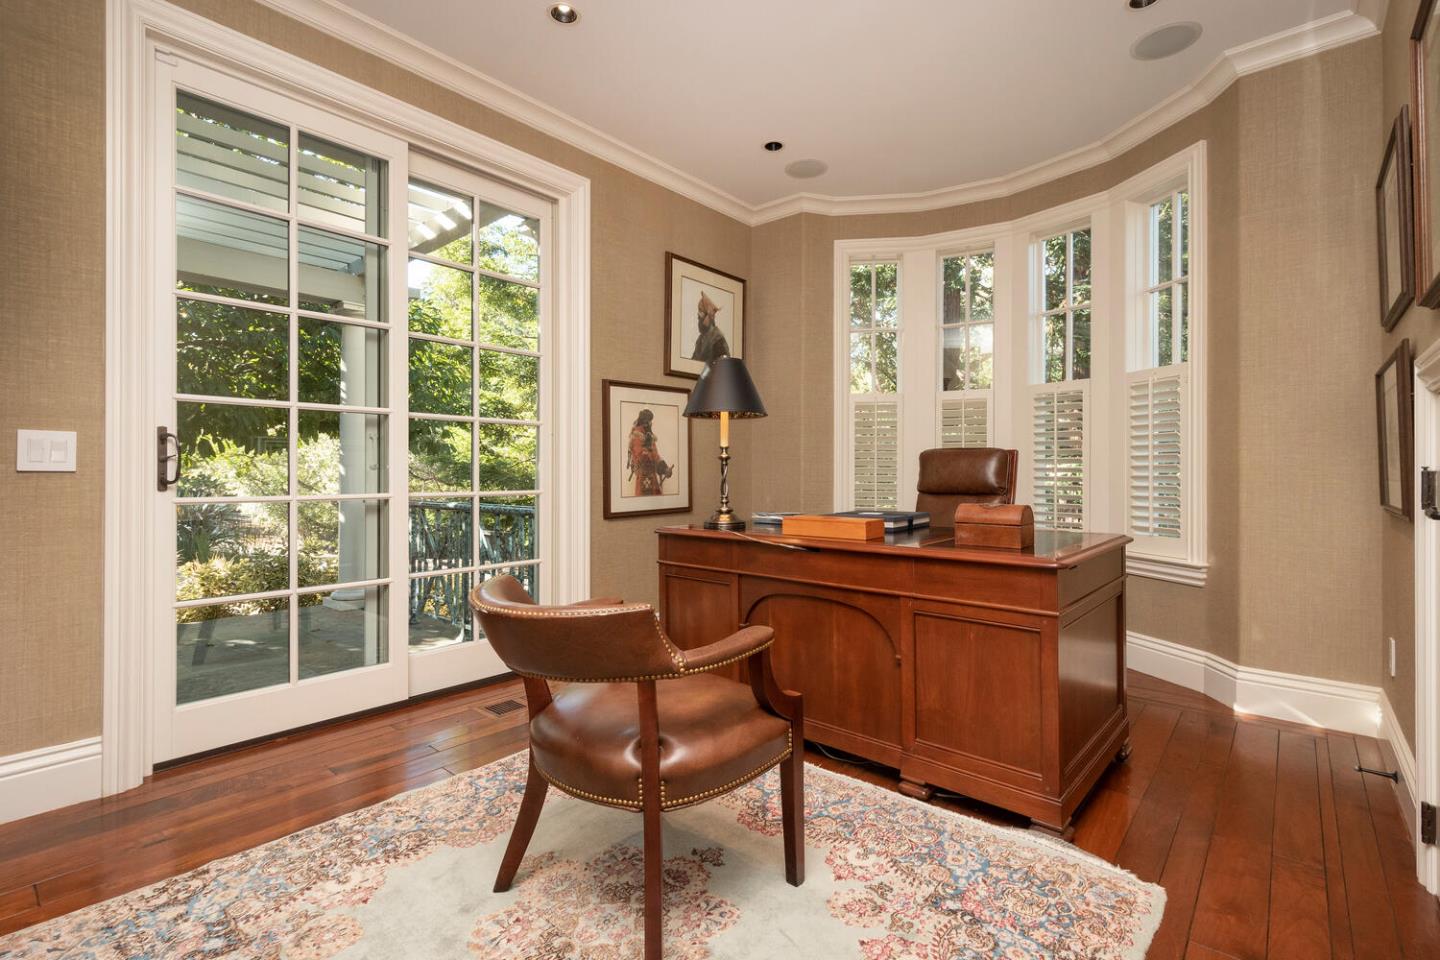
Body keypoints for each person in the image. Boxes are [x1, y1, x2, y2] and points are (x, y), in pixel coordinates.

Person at [626, 409, 673, 496]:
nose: (651, 424)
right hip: (642, 478)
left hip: (653, 478)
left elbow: (656, 456)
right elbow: (640, 457)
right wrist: (647, 448)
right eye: (649, 422)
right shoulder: (636, 436)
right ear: (645, 422)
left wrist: (664, 469)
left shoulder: (649, 436)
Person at [691, 290, 731, 364]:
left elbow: (723, 367)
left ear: (708, 316)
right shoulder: (700, 340)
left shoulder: (718, 338)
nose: (698, 316)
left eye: (701, 311)